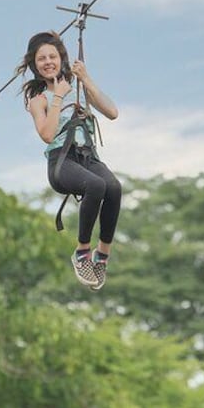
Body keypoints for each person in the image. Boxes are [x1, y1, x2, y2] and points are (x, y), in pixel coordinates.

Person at [17, 31, 122, 289]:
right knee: (96, 186)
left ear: (61, 58)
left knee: (114, 188)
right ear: (34, 64)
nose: (48, 62)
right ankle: (82, 251)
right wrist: (58, 97)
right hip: (61, 162)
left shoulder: (77, 87)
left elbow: (112, 112)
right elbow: (47, 134)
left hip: (88, 157)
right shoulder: (38, 99)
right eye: (41, 58)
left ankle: (102, 255)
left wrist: (86, 79)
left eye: (52, 56)